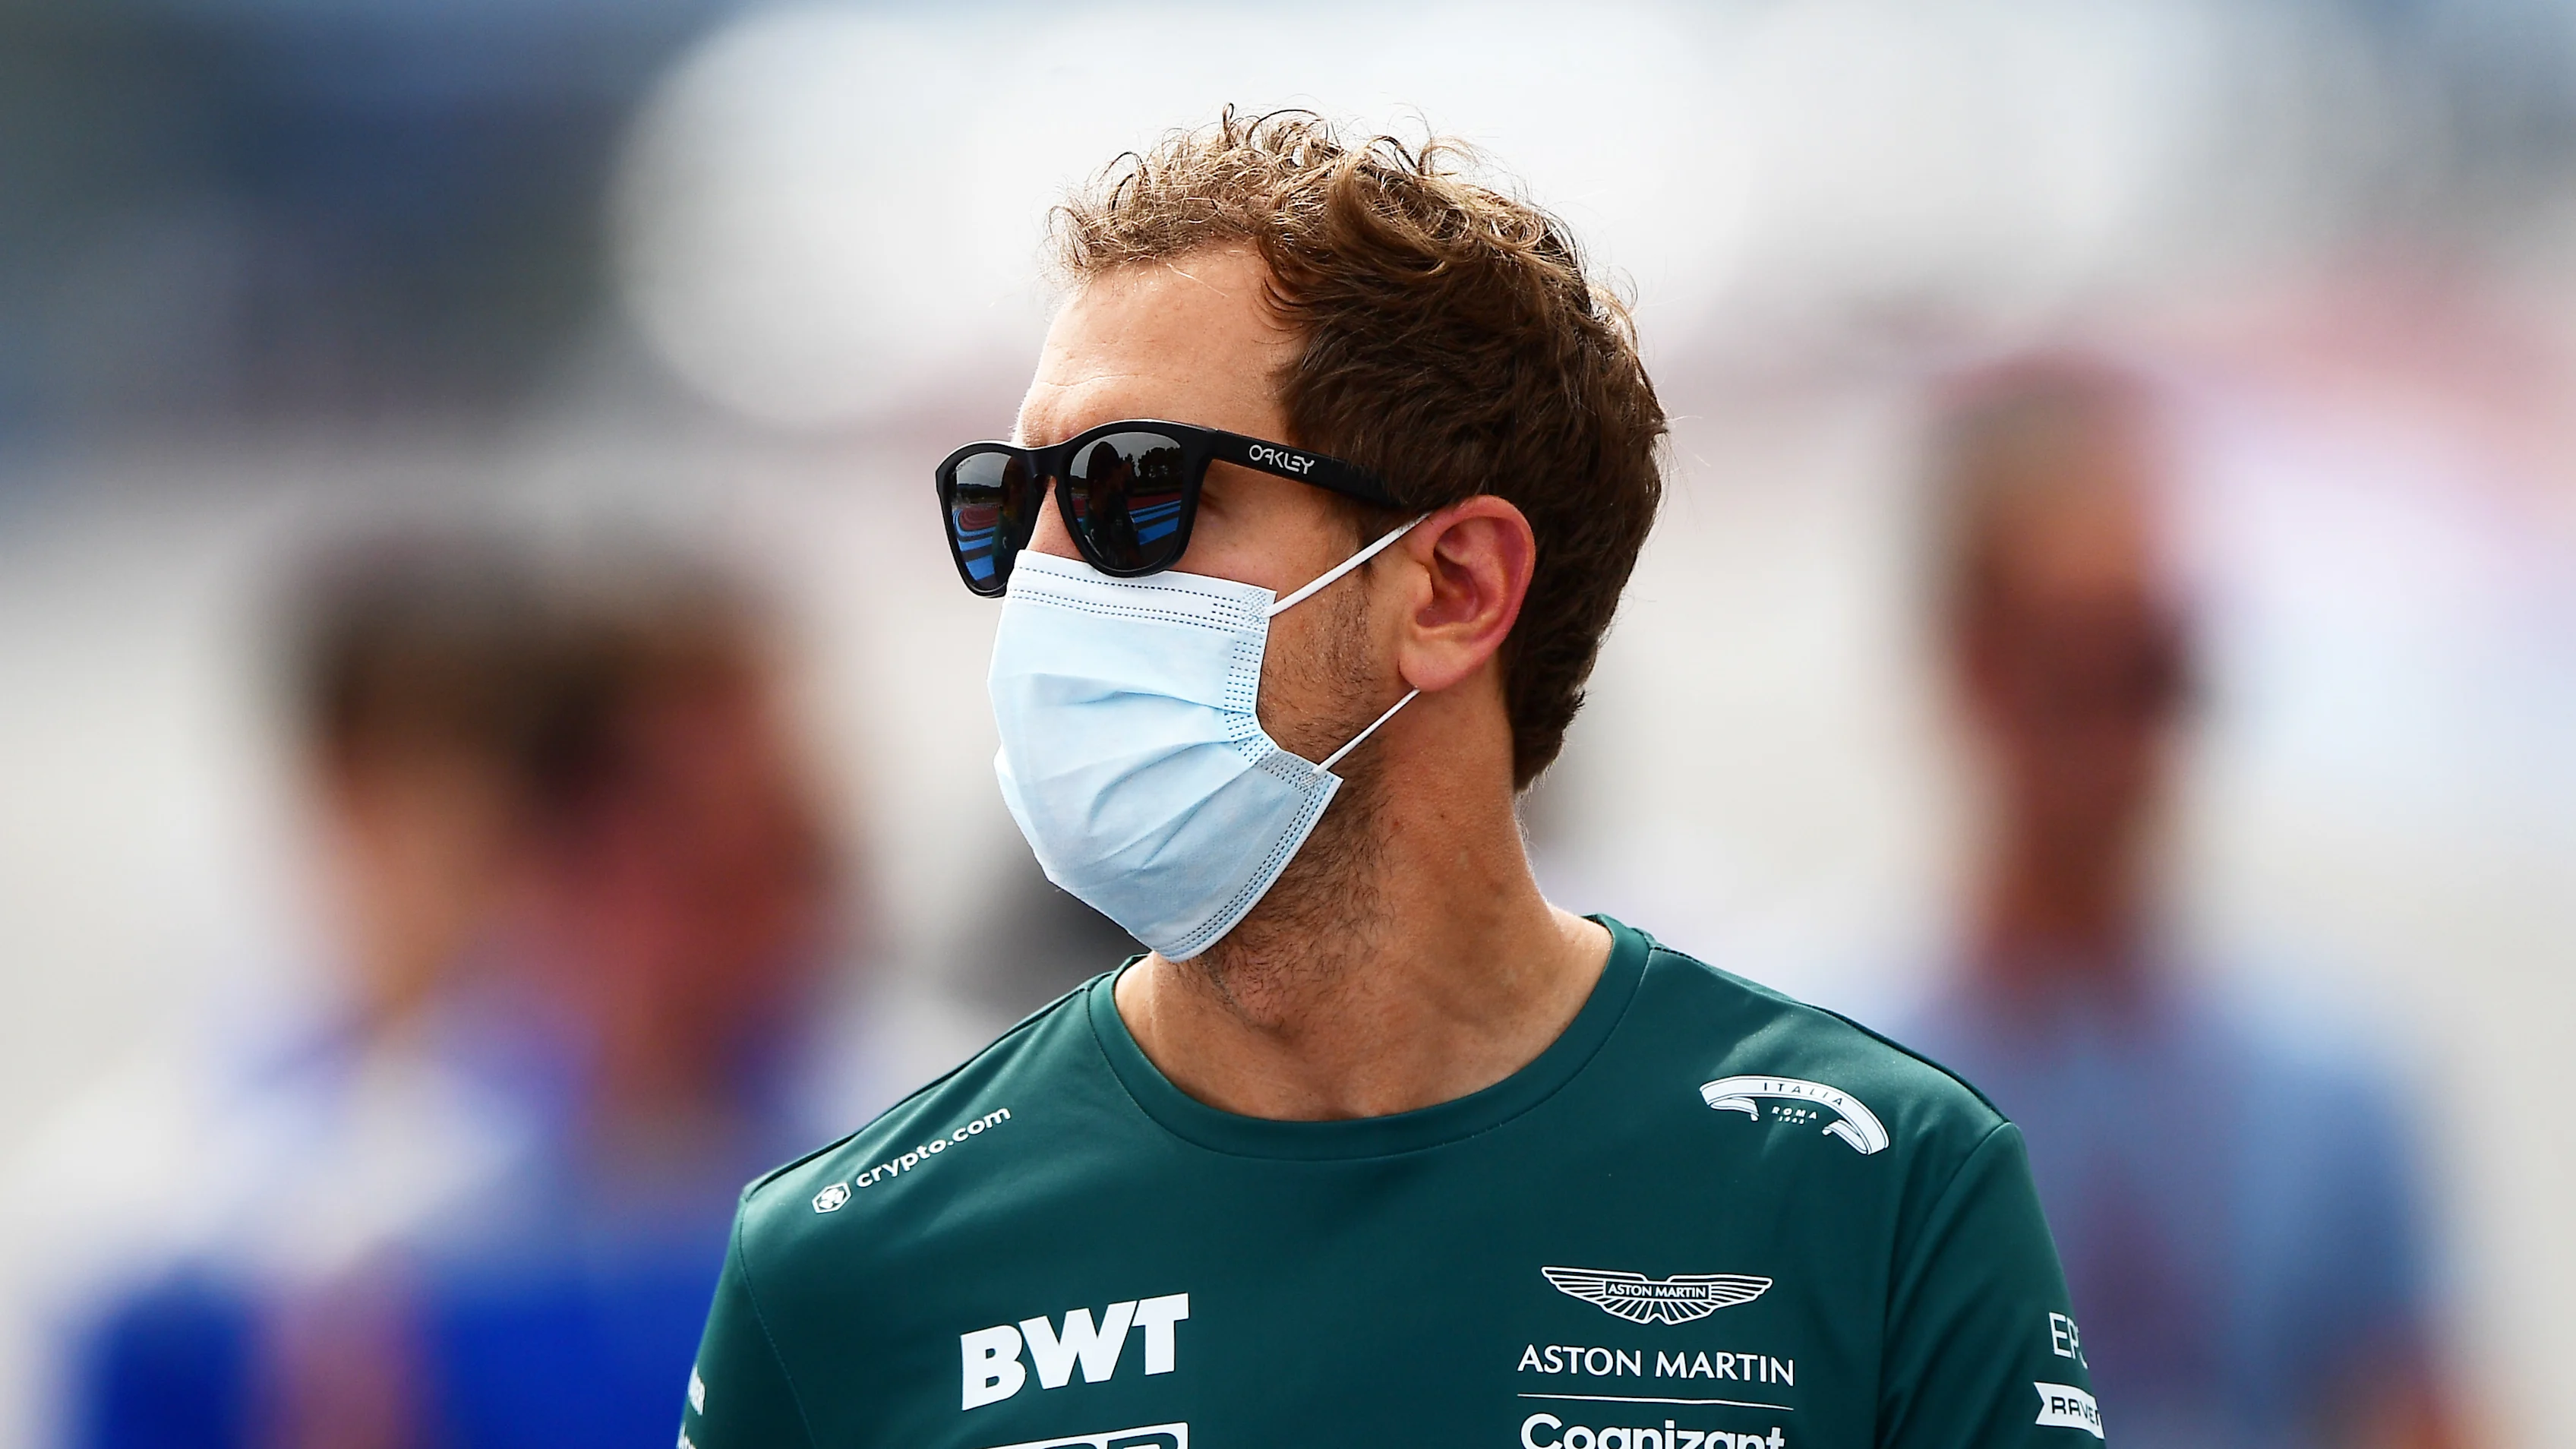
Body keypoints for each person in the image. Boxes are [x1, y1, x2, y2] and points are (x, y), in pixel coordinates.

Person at [680, 112, 2101, 1449]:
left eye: (1133, 490)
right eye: (1009, 503)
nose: (1043, 582)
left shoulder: (1879, 1191)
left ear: (1453, 587)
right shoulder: (842, 1269)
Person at [33, 533, 850, 1449]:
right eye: (692, 857)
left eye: (780, 846)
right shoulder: (287, 1266)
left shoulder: (889, 1128)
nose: (776, 896)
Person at [1894, 356, 2463, 1449]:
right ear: (1973, 665)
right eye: (2077, 674)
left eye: (2156, 673)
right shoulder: (1828, 1094)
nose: (2130, 746)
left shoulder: (2335, 1092)